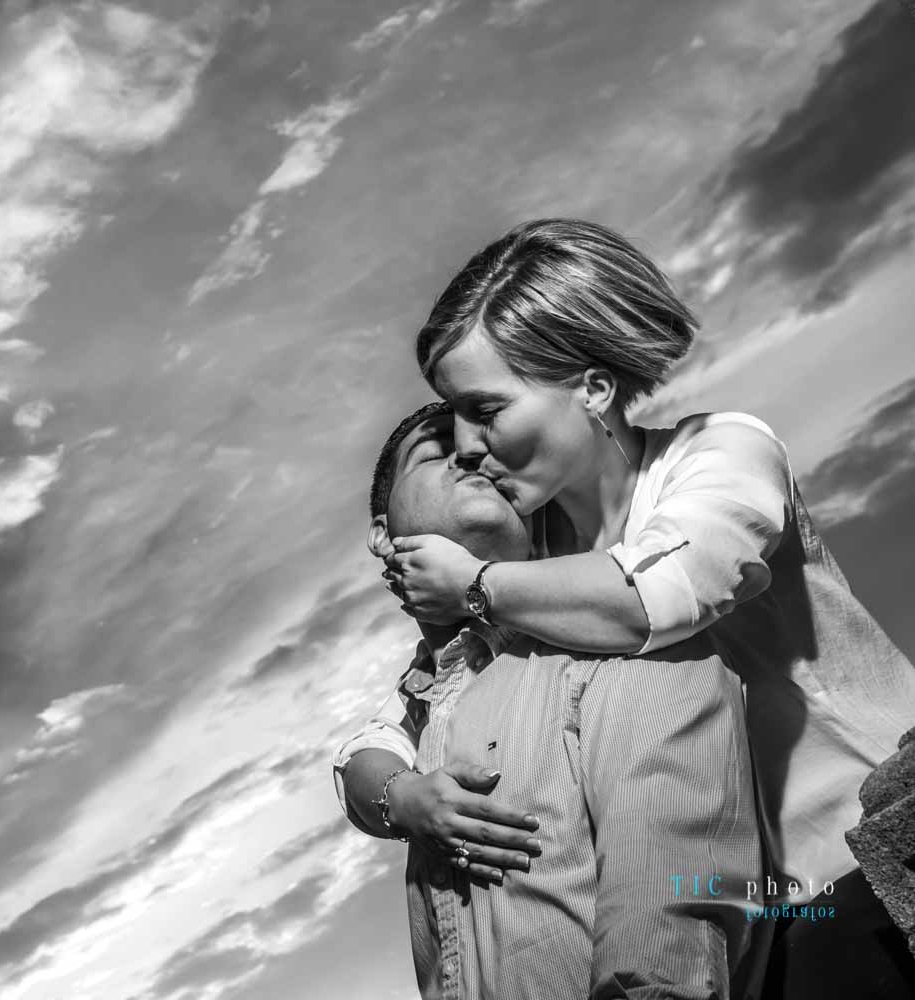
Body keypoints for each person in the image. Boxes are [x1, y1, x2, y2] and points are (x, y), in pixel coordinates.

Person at [380, 218, 915, 997]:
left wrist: (475, 585)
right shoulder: (536, 558)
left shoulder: (722, 454)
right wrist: (398, 794)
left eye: (485, 410)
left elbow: (655, 597)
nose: (463, 442)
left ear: (593, 389)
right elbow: (432, 705)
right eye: (450, 413)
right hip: (740, 938)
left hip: (864, 870)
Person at [333, 401, 767, 1000]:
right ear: (383, 534)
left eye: (489, 446)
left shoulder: (618, 646)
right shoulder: (429, 697)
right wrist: (398, 797)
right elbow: (364, 752)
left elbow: (667, 932)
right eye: (435, 450)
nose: (470, 453)